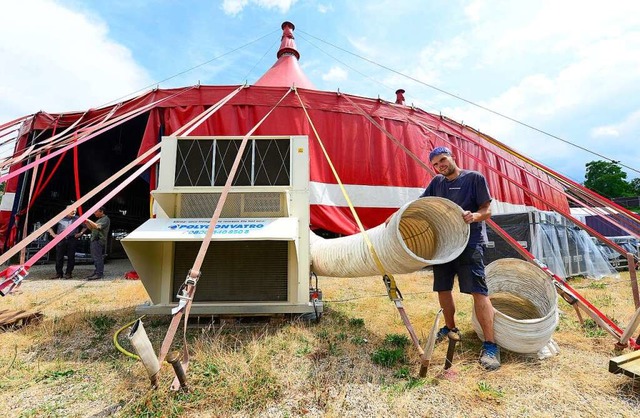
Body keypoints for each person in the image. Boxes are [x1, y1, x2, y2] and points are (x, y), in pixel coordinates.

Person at [422, 146, 500, 370]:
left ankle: (490, 345)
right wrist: (396, 215)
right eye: (435, 164)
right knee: (443, 288)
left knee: (478, 291)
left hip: (470, 242)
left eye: (442, 160)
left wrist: (474, 216)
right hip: (445, 244)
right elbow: (421, 203)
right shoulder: (437, 183)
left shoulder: (474, 178)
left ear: (452, 157)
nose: (440, 166)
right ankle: (450, 328)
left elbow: (487, 210)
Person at [47, 206, 82, 279]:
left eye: (75, 210)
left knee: (71, 257)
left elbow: (86, 226)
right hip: (61, 239)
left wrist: (80, 233)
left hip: (72, 239)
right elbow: (48, 226)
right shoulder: (60, 217)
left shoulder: (78, 218)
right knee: (59, 257)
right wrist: (53, 234)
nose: (74, 212)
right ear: (67, 210)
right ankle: (59, 273)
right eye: (72, 210)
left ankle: (69, 273)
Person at [82, 207, 110, 280]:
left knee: (98, 258)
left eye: (96, 211)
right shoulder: (99, 219)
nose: (94, 213)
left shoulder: (105, 219)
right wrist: (86, 222)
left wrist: (88, 219)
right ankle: (97, 271)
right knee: (95, 257)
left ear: (102, 212)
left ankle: (99, 273)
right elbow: (91, 228)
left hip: (98, 240)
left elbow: (97, 226)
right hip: (94, 240)